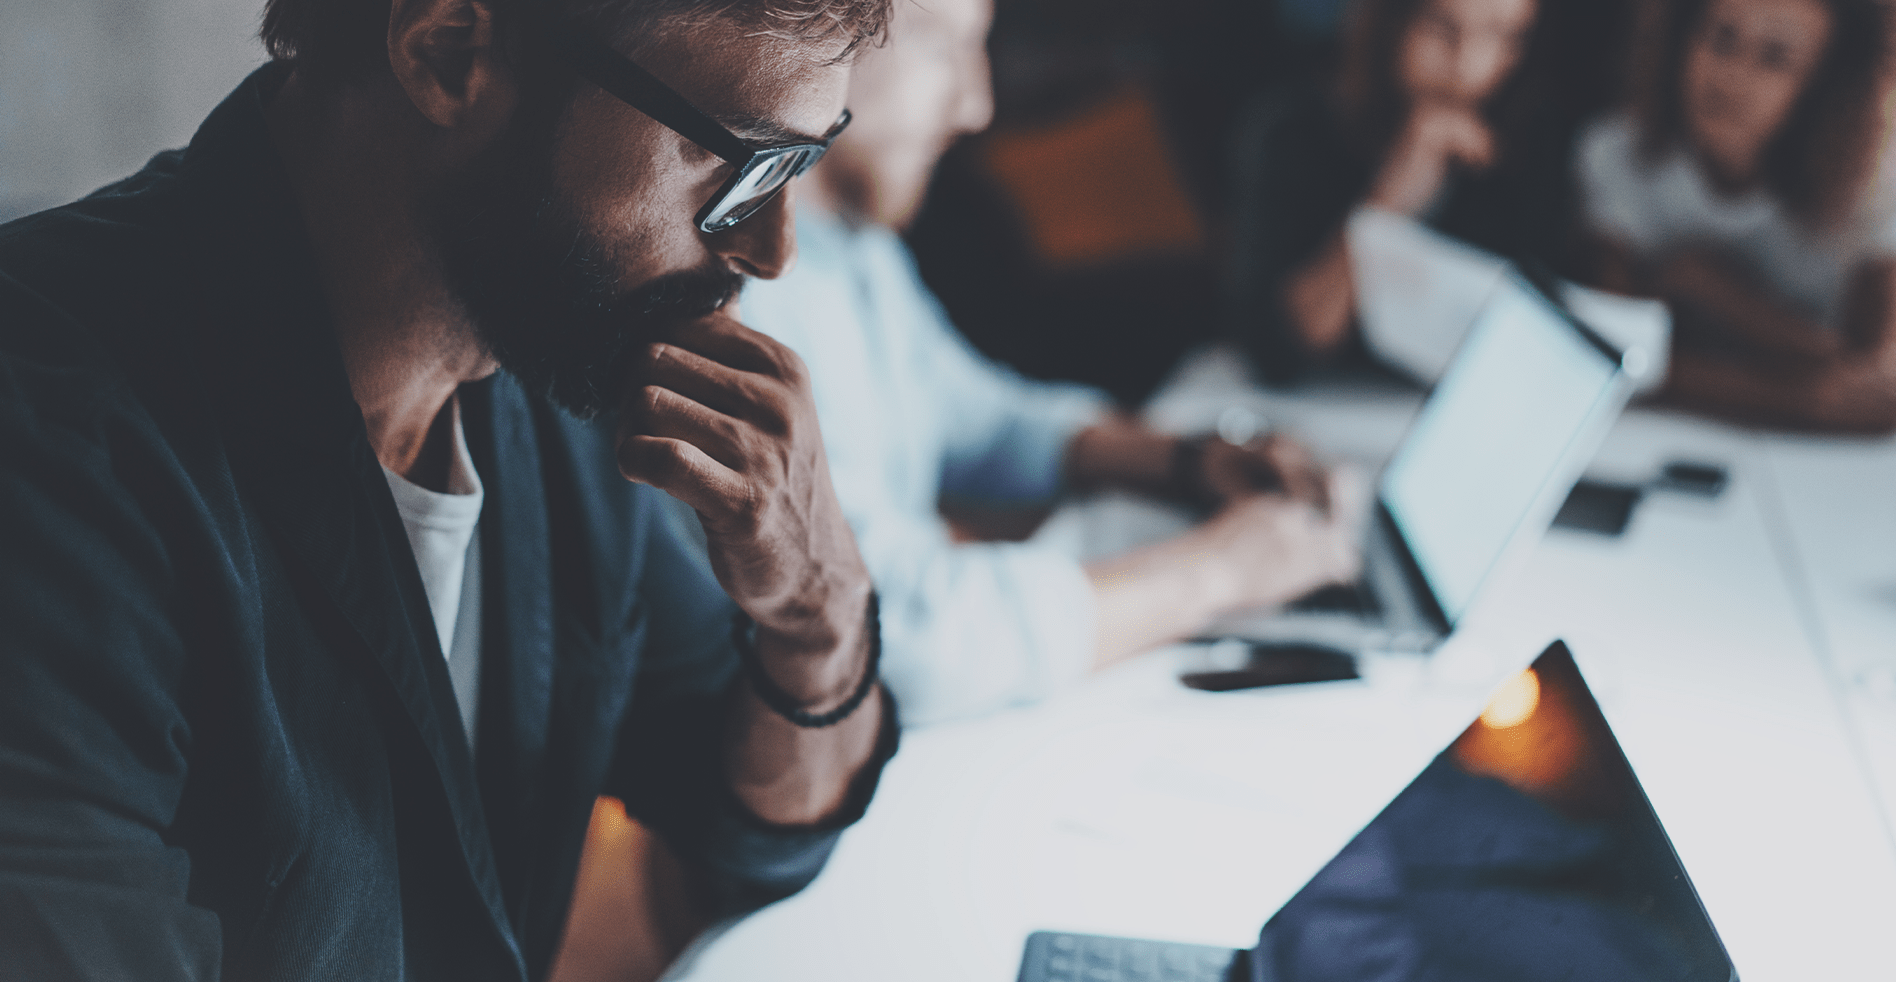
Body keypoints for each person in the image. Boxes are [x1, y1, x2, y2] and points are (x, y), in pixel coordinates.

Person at [0, 0, 903, 977]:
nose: (771, 250)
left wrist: (817, 613)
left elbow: (748, 827)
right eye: (744, 163)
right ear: (448, 52)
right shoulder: (50, 439)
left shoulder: (546, 370)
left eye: (800, 167)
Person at [740, 0, 1366, 726]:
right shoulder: (748, 296)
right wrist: (1219, 571)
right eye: (944, 48)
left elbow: (972, 418)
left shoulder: (848, 238)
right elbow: (894, 637)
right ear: (815, 41)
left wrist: (1182, 461)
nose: (977, 106)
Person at [1577, 0, 1896, 432]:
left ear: (1824, 83)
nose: (1731, 74)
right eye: (1720, 38)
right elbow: (1604, 352)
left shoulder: (1875, 184)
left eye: (1775, 58)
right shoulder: (1618, 155)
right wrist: (1806, 369)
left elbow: (1878, 386)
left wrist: (1715, 293)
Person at [1225, 0, 1564, 384]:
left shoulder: (1534, 143)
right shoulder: (1289, 134)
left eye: (1504, 35)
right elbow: (1278, 351)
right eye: (1439, 28)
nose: (1467, 63)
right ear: (1384, 19)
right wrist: (1387, 201)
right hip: (1327, 414)